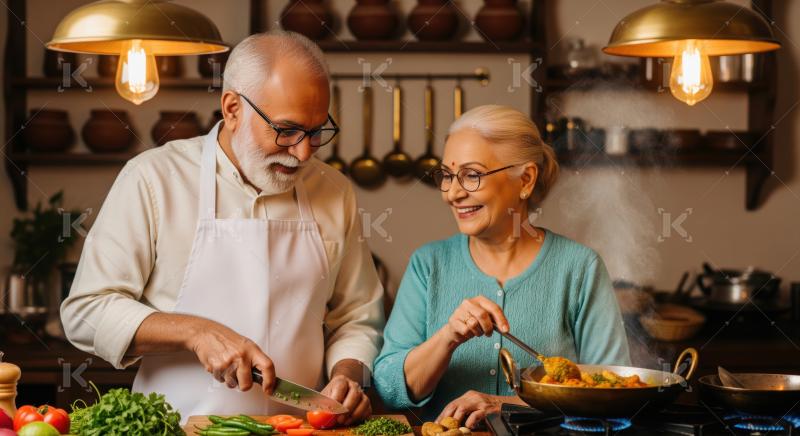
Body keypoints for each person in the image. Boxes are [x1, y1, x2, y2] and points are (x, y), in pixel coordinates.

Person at [60, 31, 383, 424]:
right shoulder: (154, 178)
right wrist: (195, 332)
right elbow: (86, 312)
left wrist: (348, 374)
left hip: (298, 430)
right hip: (176, 428)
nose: (302, 153)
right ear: (232, 109)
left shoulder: (334, 191)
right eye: (286, 131)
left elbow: (356, 315)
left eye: (316, 133)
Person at [373, 105, 630, 426]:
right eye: (448, 175)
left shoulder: (579, 268)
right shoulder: (429, 264)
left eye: (471, 175)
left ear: (525, 179)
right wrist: (447, 338)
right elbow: (389, 388)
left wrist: (507, 404)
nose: (453, 193)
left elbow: (612, 394)